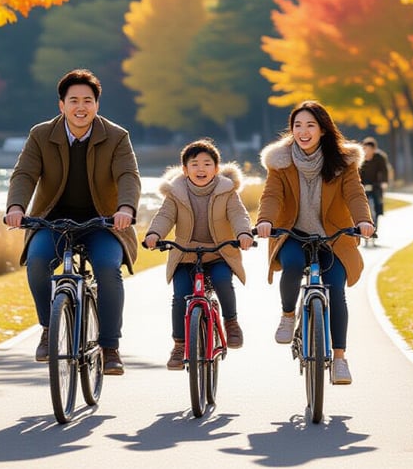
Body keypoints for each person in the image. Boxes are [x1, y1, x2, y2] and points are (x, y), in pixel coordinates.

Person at [4, 68, 141, 375]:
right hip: (52, 221)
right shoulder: (41, 135)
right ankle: (48, 328)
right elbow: (25, 173)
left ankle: (110, 347)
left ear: (97, 105)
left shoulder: (117, 137)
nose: (81, 107)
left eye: (88, 100)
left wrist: (126, 209)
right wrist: (16, 206)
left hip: (103, 223)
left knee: (108, 269)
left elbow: (128, 176)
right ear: (61, 105)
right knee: (38, 262)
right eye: (74, 100)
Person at [254, 100, 375, 385]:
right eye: (298, 125)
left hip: (333, 238)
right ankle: (287, 315)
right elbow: (271, 195)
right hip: (294, 234)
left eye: (310, 125)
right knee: (294, 265)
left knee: (336, 291)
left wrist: (364, 221)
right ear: (292, 129)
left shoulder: (342, 162)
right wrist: (265, 220)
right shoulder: (280, 162)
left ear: (323, 130)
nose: (303, 131)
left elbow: (355, 194)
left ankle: (340, 359)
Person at [143, 139, 254, 370]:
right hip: (186, 255)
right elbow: (165, 216)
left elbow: (238, 215)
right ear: (184, 170)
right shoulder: (176, 193)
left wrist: (244, 233)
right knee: (180, 295)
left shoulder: (227, 191)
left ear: (216, 168)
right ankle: (179, 345)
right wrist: (154, 233)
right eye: (194, 164)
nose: (200, 169)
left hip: (218, 252)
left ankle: (231, 323)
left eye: (207, 163)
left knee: (223, 281)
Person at [359, 137, 391, 247]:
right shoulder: (360, 158)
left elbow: (384, 170)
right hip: (362, 186)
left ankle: (374, 231)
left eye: (369, 150)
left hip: (376, 185)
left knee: (377, 207)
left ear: (374, 149)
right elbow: (356, 172)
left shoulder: (380, 158)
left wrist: (384, 182)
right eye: (365, 149)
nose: (367, 152)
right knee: (362, 209)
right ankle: (363, 232)